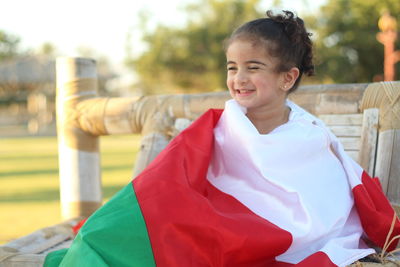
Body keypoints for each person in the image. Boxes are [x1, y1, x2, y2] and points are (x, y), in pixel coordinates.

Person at [44, 10, 399, 267]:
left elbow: (323, 204)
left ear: (287, 78)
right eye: (232, 67)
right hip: (209, 221)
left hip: (260, 235)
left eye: (253, 67)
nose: (238, 78)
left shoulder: (309, 137)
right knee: (105, 235)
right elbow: (167, 180)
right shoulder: (220, 124)